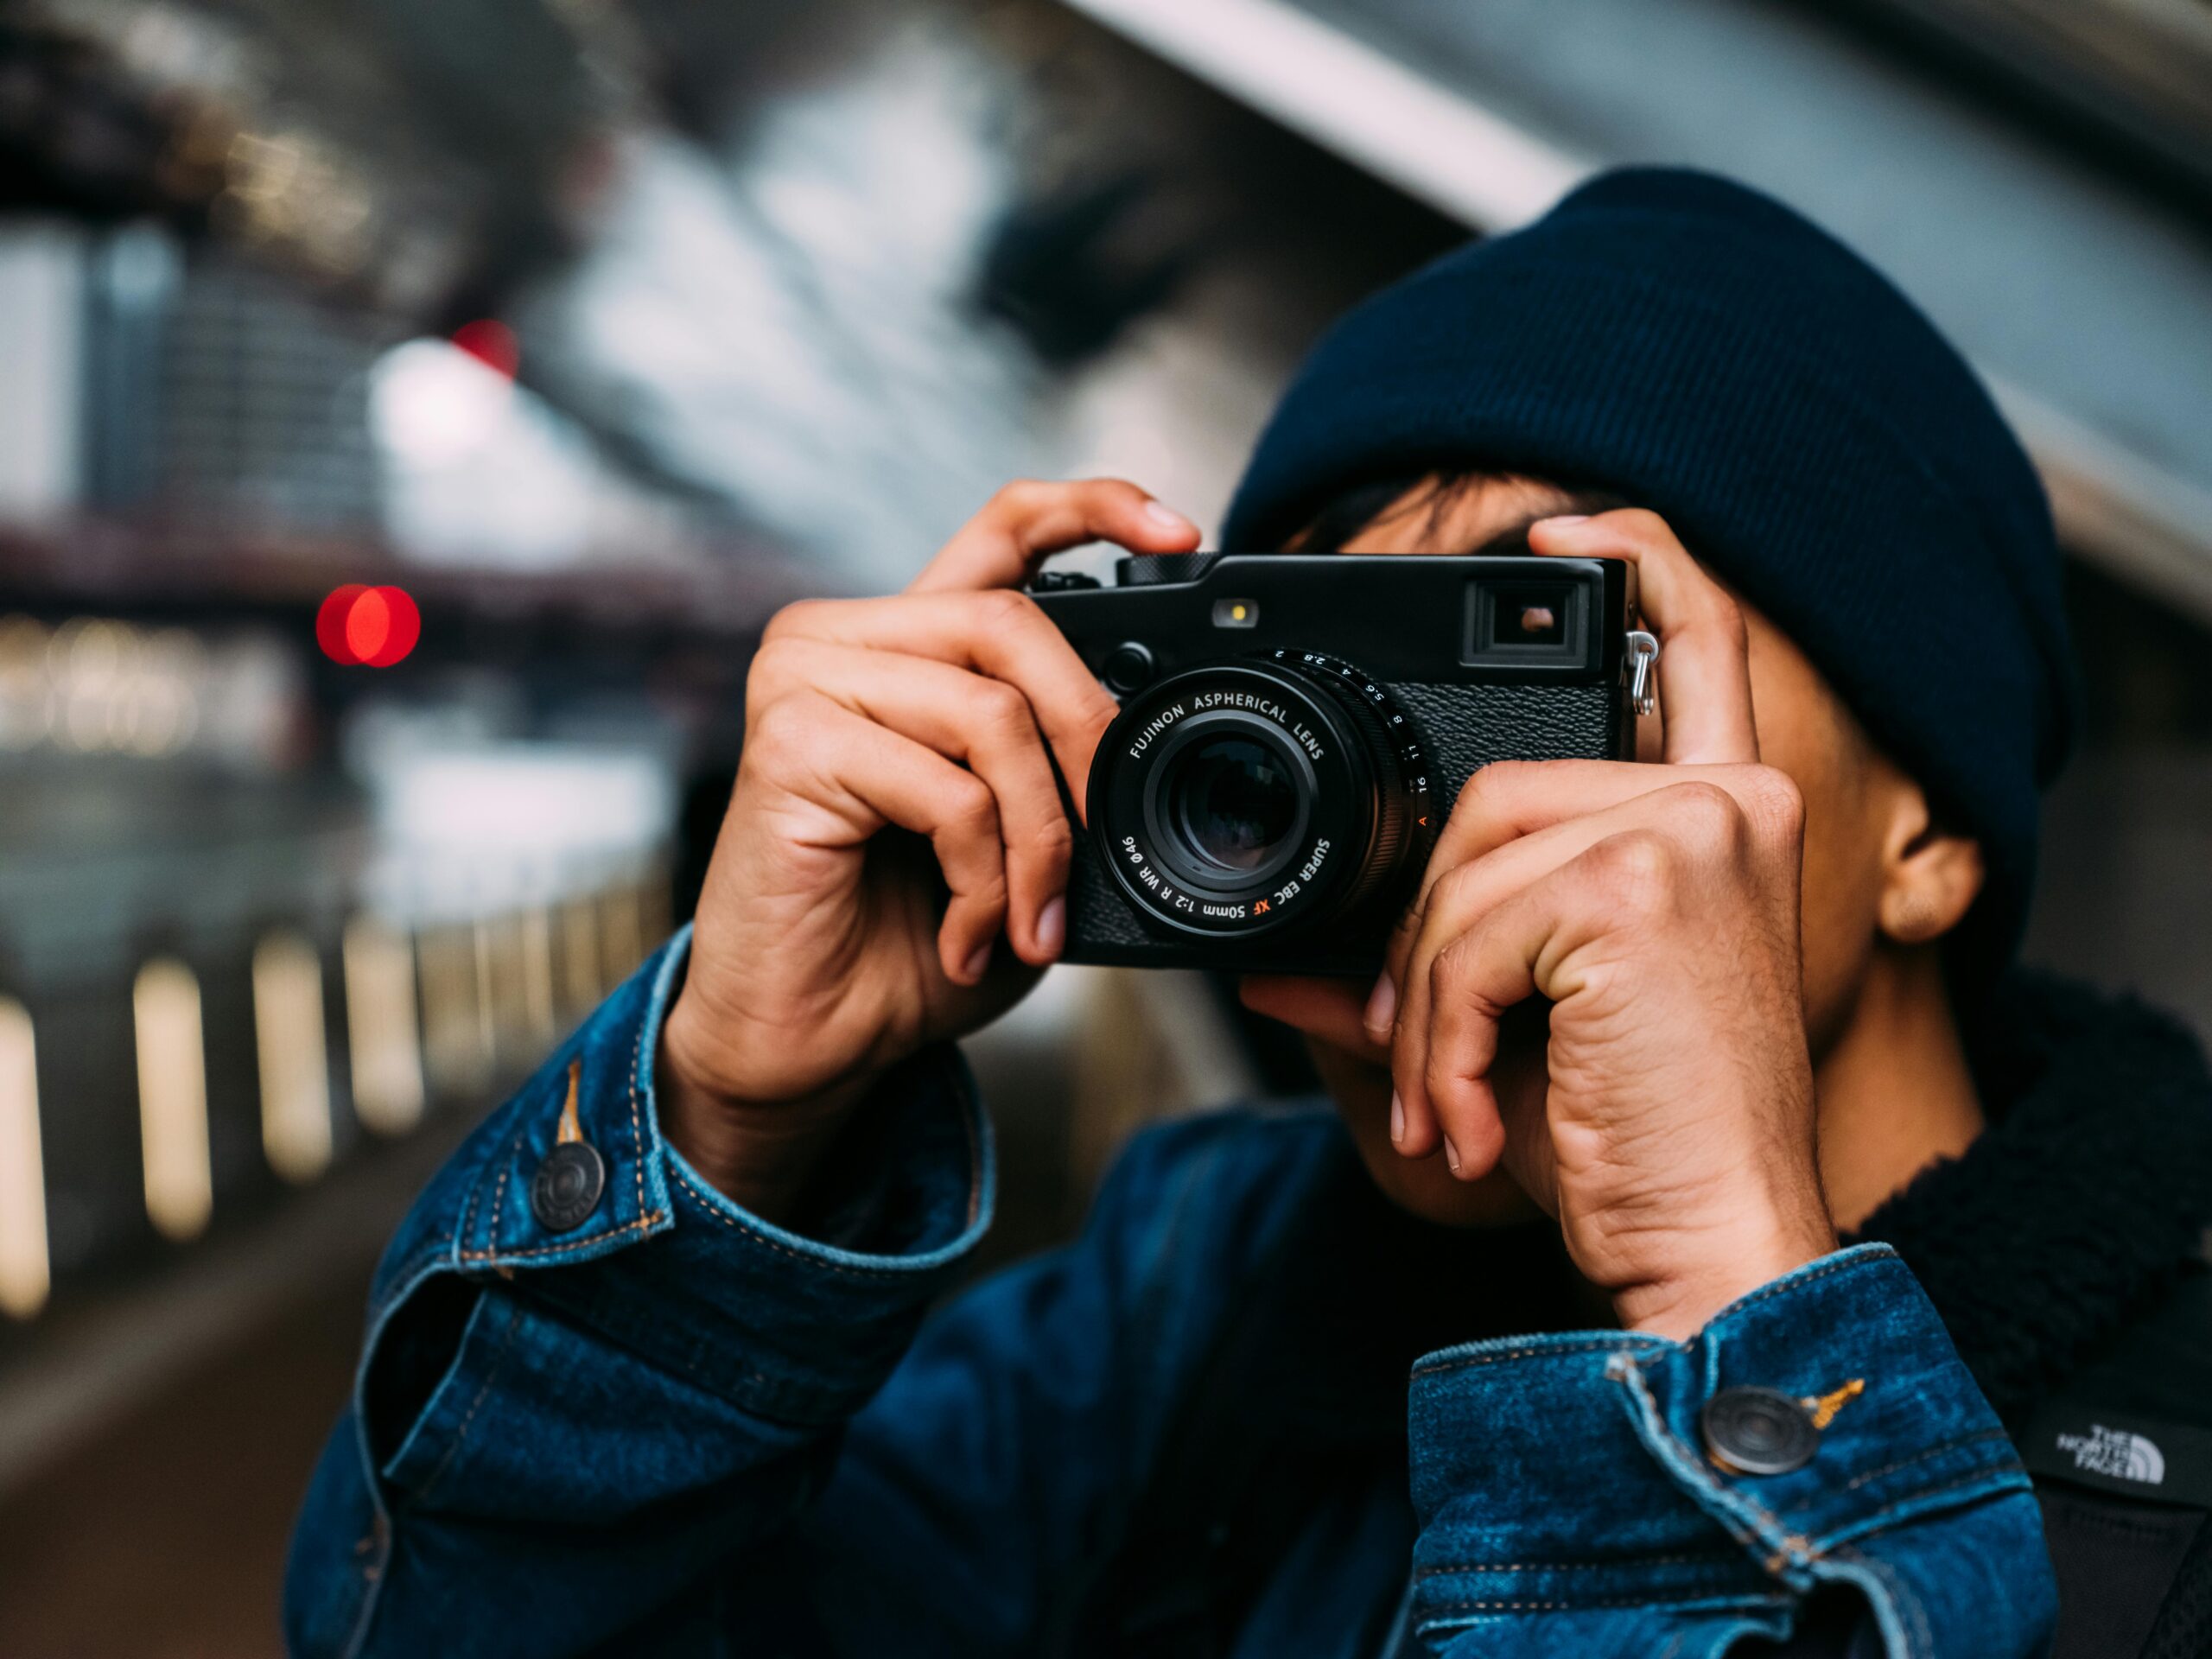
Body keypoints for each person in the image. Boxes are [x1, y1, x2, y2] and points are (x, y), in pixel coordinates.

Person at [285, 170, 2212, 1657]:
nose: (1417, 805)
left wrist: (1723, 1300)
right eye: (1327, 676)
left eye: (1550, 665)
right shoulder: (1192, 1298)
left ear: (1922, 839)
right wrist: (724, 1151)